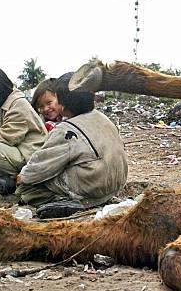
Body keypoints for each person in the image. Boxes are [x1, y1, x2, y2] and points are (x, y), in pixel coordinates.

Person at [16, 72, 128, 217]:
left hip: (94, 185)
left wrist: (23, 175)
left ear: (62, 104)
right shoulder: (102, 118)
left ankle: (67, 202)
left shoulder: (66, 129)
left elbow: (43, 165)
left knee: (29, 188)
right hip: (117, 183)